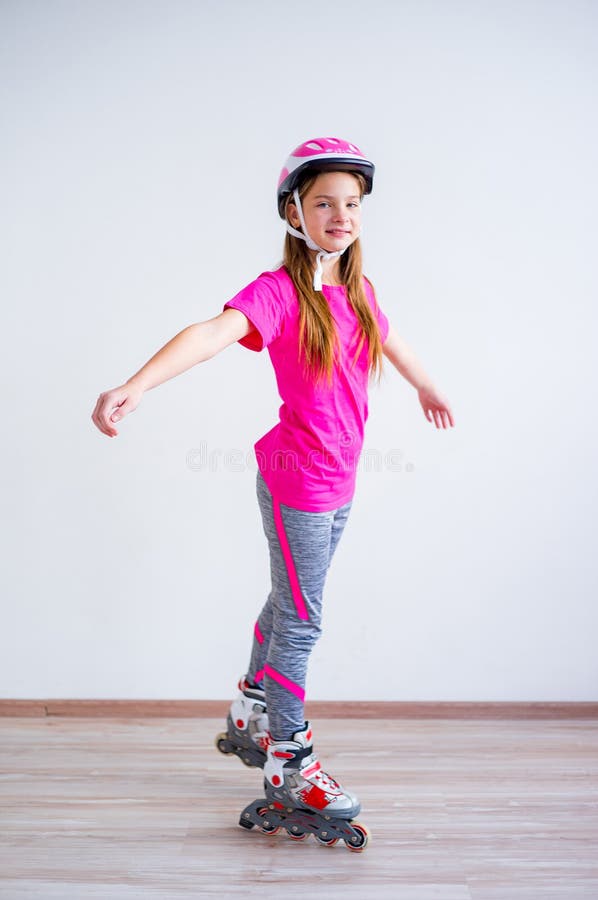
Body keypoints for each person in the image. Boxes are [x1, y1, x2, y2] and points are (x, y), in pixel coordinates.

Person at [92, 136, 454, 841]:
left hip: (339, 478)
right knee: (304, 618)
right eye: (325, 203)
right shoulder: (280, 292)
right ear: (294, 211)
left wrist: (427, 384)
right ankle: (290, 760)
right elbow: (210, 333)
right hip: (298, 480)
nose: (341, 215)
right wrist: (135, 384)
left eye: (351, 203)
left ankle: (247, 709)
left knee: (292, 601)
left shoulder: (357, 291)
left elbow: (393, 338)